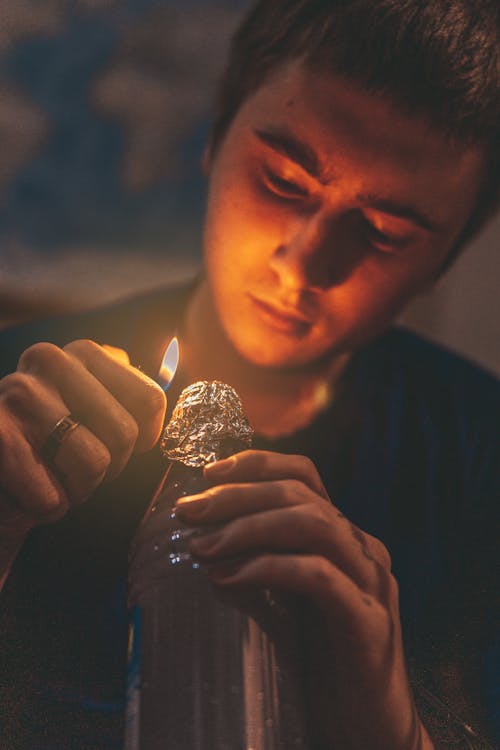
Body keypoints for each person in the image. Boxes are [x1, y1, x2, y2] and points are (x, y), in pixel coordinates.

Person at [0, 0, 498, 748]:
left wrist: (394, 733)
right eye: (282, 180)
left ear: (445, 262)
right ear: (213, 140)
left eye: (385, 233)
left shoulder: (480, 455)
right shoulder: (20, 401)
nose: (302, 264)